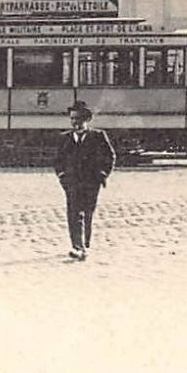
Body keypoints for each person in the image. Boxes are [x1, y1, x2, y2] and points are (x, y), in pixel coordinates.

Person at [55, 101, 116, 261]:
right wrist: (62, 176)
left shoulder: (98, 136)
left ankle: (84, 244)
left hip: (91, 182)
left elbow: (110, 156)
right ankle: (78, 247)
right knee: (74, 214)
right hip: (72, 183)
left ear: (86, 119)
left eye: (78, 119)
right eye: (72, 119)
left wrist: (103, 174)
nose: (74, 122)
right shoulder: (64, 138)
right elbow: (58, 160)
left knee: (88, 213)